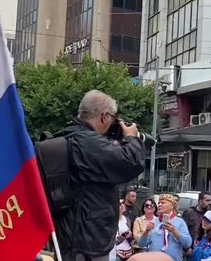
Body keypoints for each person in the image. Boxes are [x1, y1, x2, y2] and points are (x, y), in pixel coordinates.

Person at [54, 90, 146, 261]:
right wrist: (132, 138)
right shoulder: (88, 142)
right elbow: (130, 162)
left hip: (70, 232)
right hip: (86, 240)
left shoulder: (69, 135)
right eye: (113, 118)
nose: (113, 123)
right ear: (104, 116)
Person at [138, 194, 192, 261]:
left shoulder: (180, 222)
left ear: (171, 206)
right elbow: (141, 244)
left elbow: (187, 244)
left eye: (163, 203)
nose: (160, 205)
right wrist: (146, 231)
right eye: (159, 203)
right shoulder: (153, 222)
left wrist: (174, 231)